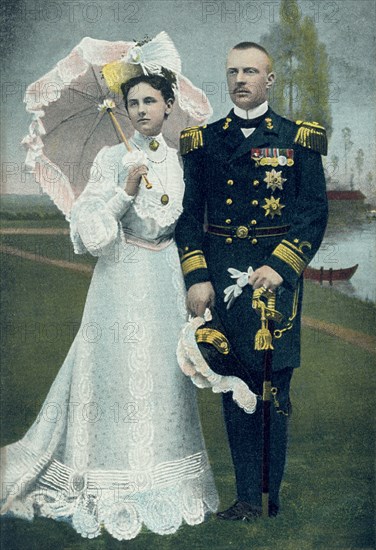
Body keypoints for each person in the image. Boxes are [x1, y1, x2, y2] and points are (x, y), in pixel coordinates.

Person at [1, 67, 219, 539]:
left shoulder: (183, 163)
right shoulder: (110, 158)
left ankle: (165, 477)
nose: (141, 111)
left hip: (165, 281)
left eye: (149, 102)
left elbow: (189, 228)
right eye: (133, 104)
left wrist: (196, 279)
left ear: (167, 106)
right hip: (120, 278)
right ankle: (106, 476)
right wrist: (124, 193)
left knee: (167, 373)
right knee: (118, 374)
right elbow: (90, 233)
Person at [175, 42, 328, 519]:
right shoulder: (203, 140)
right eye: (233, 71)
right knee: (234, 385)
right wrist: (197, 276)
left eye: (250, 71)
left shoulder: (296, 138)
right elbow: (187, 219)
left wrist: (281, 267)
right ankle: (244, 499)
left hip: (274, 286)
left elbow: (312, 213)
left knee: (274, 389)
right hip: (222, 282)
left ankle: (270, 496)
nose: (240, 79)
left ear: (270, 80)